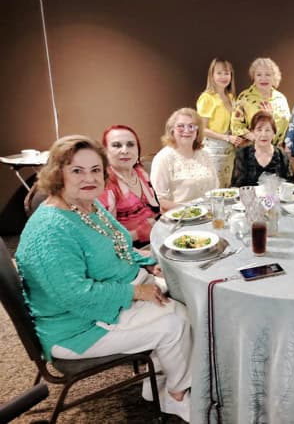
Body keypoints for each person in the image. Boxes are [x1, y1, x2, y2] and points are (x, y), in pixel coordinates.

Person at [15, 135, 192, 422]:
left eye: (95, 169)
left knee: (186, 301)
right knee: (177, 322)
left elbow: (119, 245)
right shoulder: (51, 230)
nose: (89, 178)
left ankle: (157, 383)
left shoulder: (86, 205)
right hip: (76, 327)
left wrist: (149, 264)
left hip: (106, 302)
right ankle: (177, 395)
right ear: (57, 174)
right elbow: (75, 295)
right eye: (77, 170)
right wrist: (137, 293)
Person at [99, 125, 160, 248]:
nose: (125, 150)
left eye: (130, 144)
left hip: (157, 238)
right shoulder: (103, 185)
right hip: (130, 250)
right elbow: (102, 239)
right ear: (105, 151)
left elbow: (155, 211)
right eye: (117, 145)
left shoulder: (140, 172)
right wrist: (138, 234)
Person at [151, 108, 219, 211]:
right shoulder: (163, 158)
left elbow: (215, 188)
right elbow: (158, 200)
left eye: (191, 126)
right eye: (181, 126)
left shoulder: (205, 154)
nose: (187, 130)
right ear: (172, 130)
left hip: (209, 213)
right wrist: (192, 210)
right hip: (181, 216)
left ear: (197, 131)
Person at [196, 58, 245, 187]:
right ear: (211, 75)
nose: (223, 77)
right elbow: (202, 129)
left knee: (227, 187)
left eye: (227, 73)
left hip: (229, 149)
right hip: (213, 150)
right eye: (219, 73)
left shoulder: (230, 97)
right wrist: (226, 137)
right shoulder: (207, 98)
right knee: (215, 188)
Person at [231, 57, 291, 146]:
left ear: (274, 77)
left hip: (278, 151)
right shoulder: (244, 97)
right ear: (253, 77)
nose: (263, 78)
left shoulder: (281, 98)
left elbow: (289, 126)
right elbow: (236, 125)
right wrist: (256, 138)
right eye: (259, 75)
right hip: (254, 149)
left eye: (268, 74)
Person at [231, 111, 294, 187]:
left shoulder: (282, 155)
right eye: (259, 130)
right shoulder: (243, 154)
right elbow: (236, 187)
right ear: (253, 132)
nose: (263, 134)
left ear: (274, 133)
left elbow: (292, 185)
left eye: (267, 130)